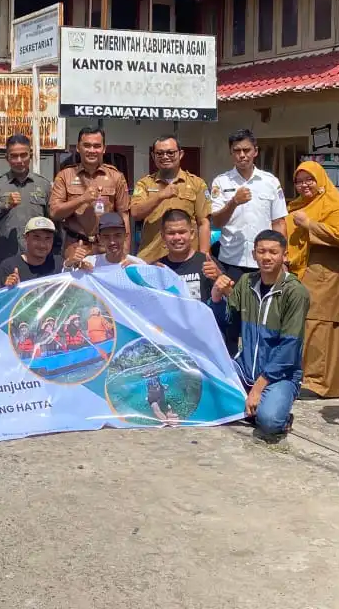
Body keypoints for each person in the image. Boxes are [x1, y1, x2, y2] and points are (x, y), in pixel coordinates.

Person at [211, 230, 310, 439]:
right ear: (254, 254)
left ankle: (274, 411)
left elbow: (290, 348)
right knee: (205, 393)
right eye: (261, 251)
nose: (266, 257)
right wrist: (217, 297)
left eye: (273, 252)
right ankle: (251, 404)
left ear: (284, 255)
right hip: (244, 368)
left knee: (269, 422)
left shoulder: (295, 292)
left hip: (279, 376)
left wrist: (258, 388)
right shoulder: (246, 283)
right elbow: (227, 323)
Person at [286, 161, 339, 399]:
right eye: (299, 181)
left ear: (320, 180)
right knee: (308, 325)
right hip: (304, 271)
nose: (304, 185)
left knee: (323, 326)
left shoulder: (336, 205)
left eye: (309, 180)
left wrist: (310, 225)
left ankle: (321, 384)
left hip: (327, 273)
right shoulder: (297, 205)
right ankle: (312, 379)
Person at [155, 209, 238, 356]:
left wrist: (219, 277)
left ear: (192, 234)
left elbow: (235, 301)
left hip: (205, 341)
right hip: (173, 344)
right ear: (163, 236)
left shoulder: (207, 263)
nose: (177, 237)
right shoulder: (157, 268)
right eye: (171, 233)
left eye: (182, 232)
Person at [210, 130, 287, 285]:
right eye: (237, 151)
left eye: (247, 150)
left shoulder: (270, 182)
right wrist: (233, 202)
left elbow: (278, 223)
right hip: (231, 260)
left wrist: (284, 259)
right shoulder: (221, 182)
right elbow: (217, 222)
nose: (242, 155)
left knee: (265, 306)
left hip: (264, 260)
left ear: (255, 151)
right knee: (233, 307)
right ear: (231, 153)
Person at [130, 134, 212, 263]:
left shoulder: (197, 184)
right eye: (160, 153)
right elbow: (135, 213)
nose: (165, 157)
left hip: (186, 260)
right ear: (153, 156)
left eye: (170, 152)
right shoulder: (144, 184)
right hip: (152, 257)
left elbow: (204, 223)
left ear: (181, 154)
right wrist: (160, 196)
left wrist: (203, 257)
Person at [49, 127, 130, 256]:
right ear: (78, 147)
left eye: (97, 146)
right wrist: (82, 199)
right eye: (87, 145)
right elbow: (54, 213)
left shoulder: (116, 177)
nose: (92, 150)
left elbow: (124, 215)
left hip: (108, 246)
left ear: (104, 149)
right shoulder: (65, 175)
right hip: (75, 246)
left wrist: (125, 251)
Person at [0, 134, 52, 270]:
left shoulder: (43, 185)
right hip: (6, 258)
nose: (19, 160)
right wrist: (6, 205)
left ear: (30, 155)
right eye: (14, 156)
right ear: (7, 158)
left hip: (38, 258)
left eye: (23, 155)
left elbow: (53, 222)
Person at [0, 216, 83, 286]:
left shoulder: (58, 264)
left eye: (47, 238)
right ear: (26, 238)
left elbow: (70, 292)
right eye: (36, 238)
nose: (42, 244)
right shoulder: (9, 267)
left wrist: (83, 269)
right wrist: (10, 288)